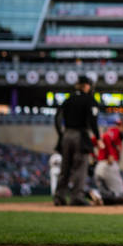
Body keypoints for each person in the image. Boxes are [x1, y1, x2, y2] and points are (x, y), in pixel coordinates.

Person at [53, 76, 99, 206]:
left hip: (66, 135)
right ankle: (76, 197)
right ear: (86, 86)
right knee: (80, 167)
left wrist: (61, 134)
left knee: (65, 167)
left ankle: (59, 197)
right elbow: (93, 121)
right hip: (80, 135)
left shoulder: (69, 99)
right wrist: (98, 137)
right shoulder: (89, 100)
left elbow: (57, 117)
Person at [93, 118, 123, 204]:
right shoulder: (115, 131)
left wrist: (94, 156)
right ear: (122, 126)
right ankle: (95, 195)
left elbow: (94, 140)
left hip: (102, 166)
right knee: (122, 196)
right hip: (108, 166)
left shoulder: (115, 135)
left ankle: (96, 195)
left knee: (110, 196)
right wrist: (111, 154)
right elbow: (105, 137)